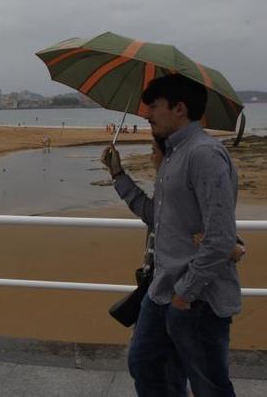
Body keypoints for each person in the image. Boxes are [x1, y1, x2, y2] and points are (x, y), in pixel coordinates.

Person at [101, 73, 240, 397]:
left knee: (209, 385)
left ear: (179, 108)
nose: (147, 114)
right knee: (146, 365)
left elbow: (221, 238)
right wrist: (118, 175)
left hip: (197, 298)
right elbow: (156, 218)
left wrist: (184, 295)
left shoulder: (204, 154)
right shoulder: (174, 156)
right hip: (161, 289)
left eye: (154, 107)